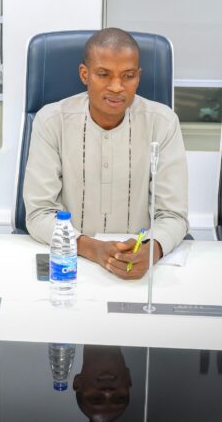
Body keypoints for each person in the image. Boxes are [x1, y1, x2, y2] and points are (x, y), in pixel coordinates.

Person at [22, 28, 189, 279]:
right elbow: (39, 213)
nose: (117, 87)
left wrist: (152, 250)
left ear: (138, 77)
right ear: (85, 74)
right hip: (70, 260)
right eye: (103, 74)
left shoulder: (163, 123)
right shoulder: (51, 121)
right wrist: (92, 248)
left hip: (140, 264)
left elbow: (174, 215)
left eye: (128, 76)